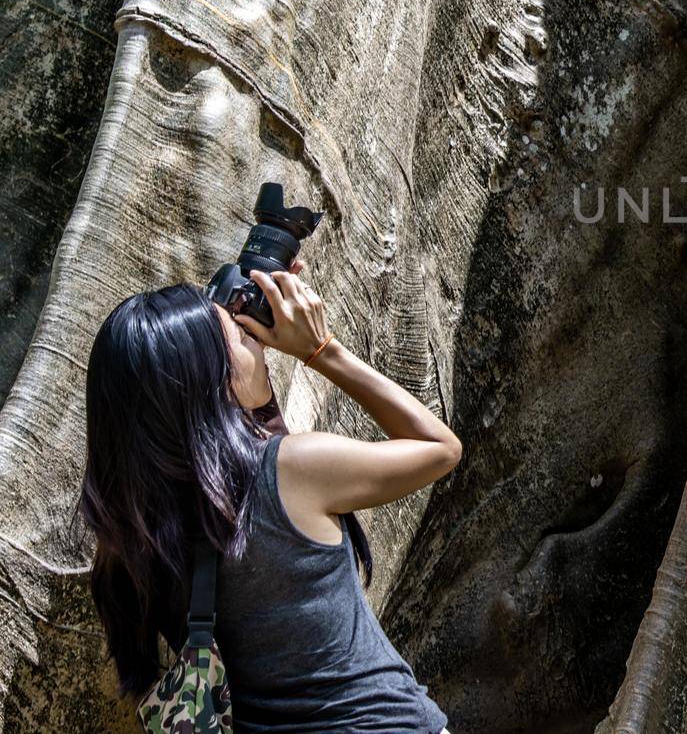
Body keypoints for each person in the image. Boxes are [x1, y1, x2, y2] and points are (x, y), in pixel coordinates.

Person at [78, 257, 460, 733]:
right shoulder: (294, 471)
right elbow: (441, 448)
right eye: (239, 336)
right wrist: (321, 349)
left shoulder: (129, 543)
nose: (255, 337)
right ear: (210, 381)